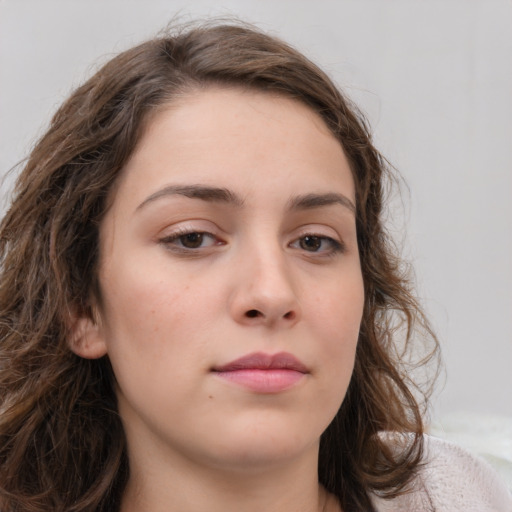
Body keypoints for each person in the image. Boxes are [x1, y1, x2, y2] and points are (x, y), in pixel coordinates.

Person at [0, 20, 510, 512]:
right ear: (80, 306)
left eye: (314, 241)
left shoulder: (453, 496)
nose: (272, 294)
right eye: (193, 238)